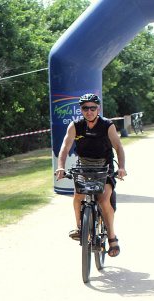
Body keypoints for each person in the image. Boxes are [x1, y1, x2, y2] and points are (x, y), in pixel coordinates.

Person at [56, 93, 126, 257]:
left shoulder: (107, 125)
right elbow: (65, 148)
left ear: (98, 109)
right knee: (78, 196)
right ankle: (80, 227)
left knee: (103, 199)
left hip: (104, 166)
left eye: (93, 108)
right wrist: (60, 167)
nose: (89, 111)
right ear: (81, 109)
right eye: (85, 108)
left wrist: (121, 167)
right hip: (84, 166)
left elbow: (119, 147)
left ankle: (112, 237)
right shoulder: (75, 126)